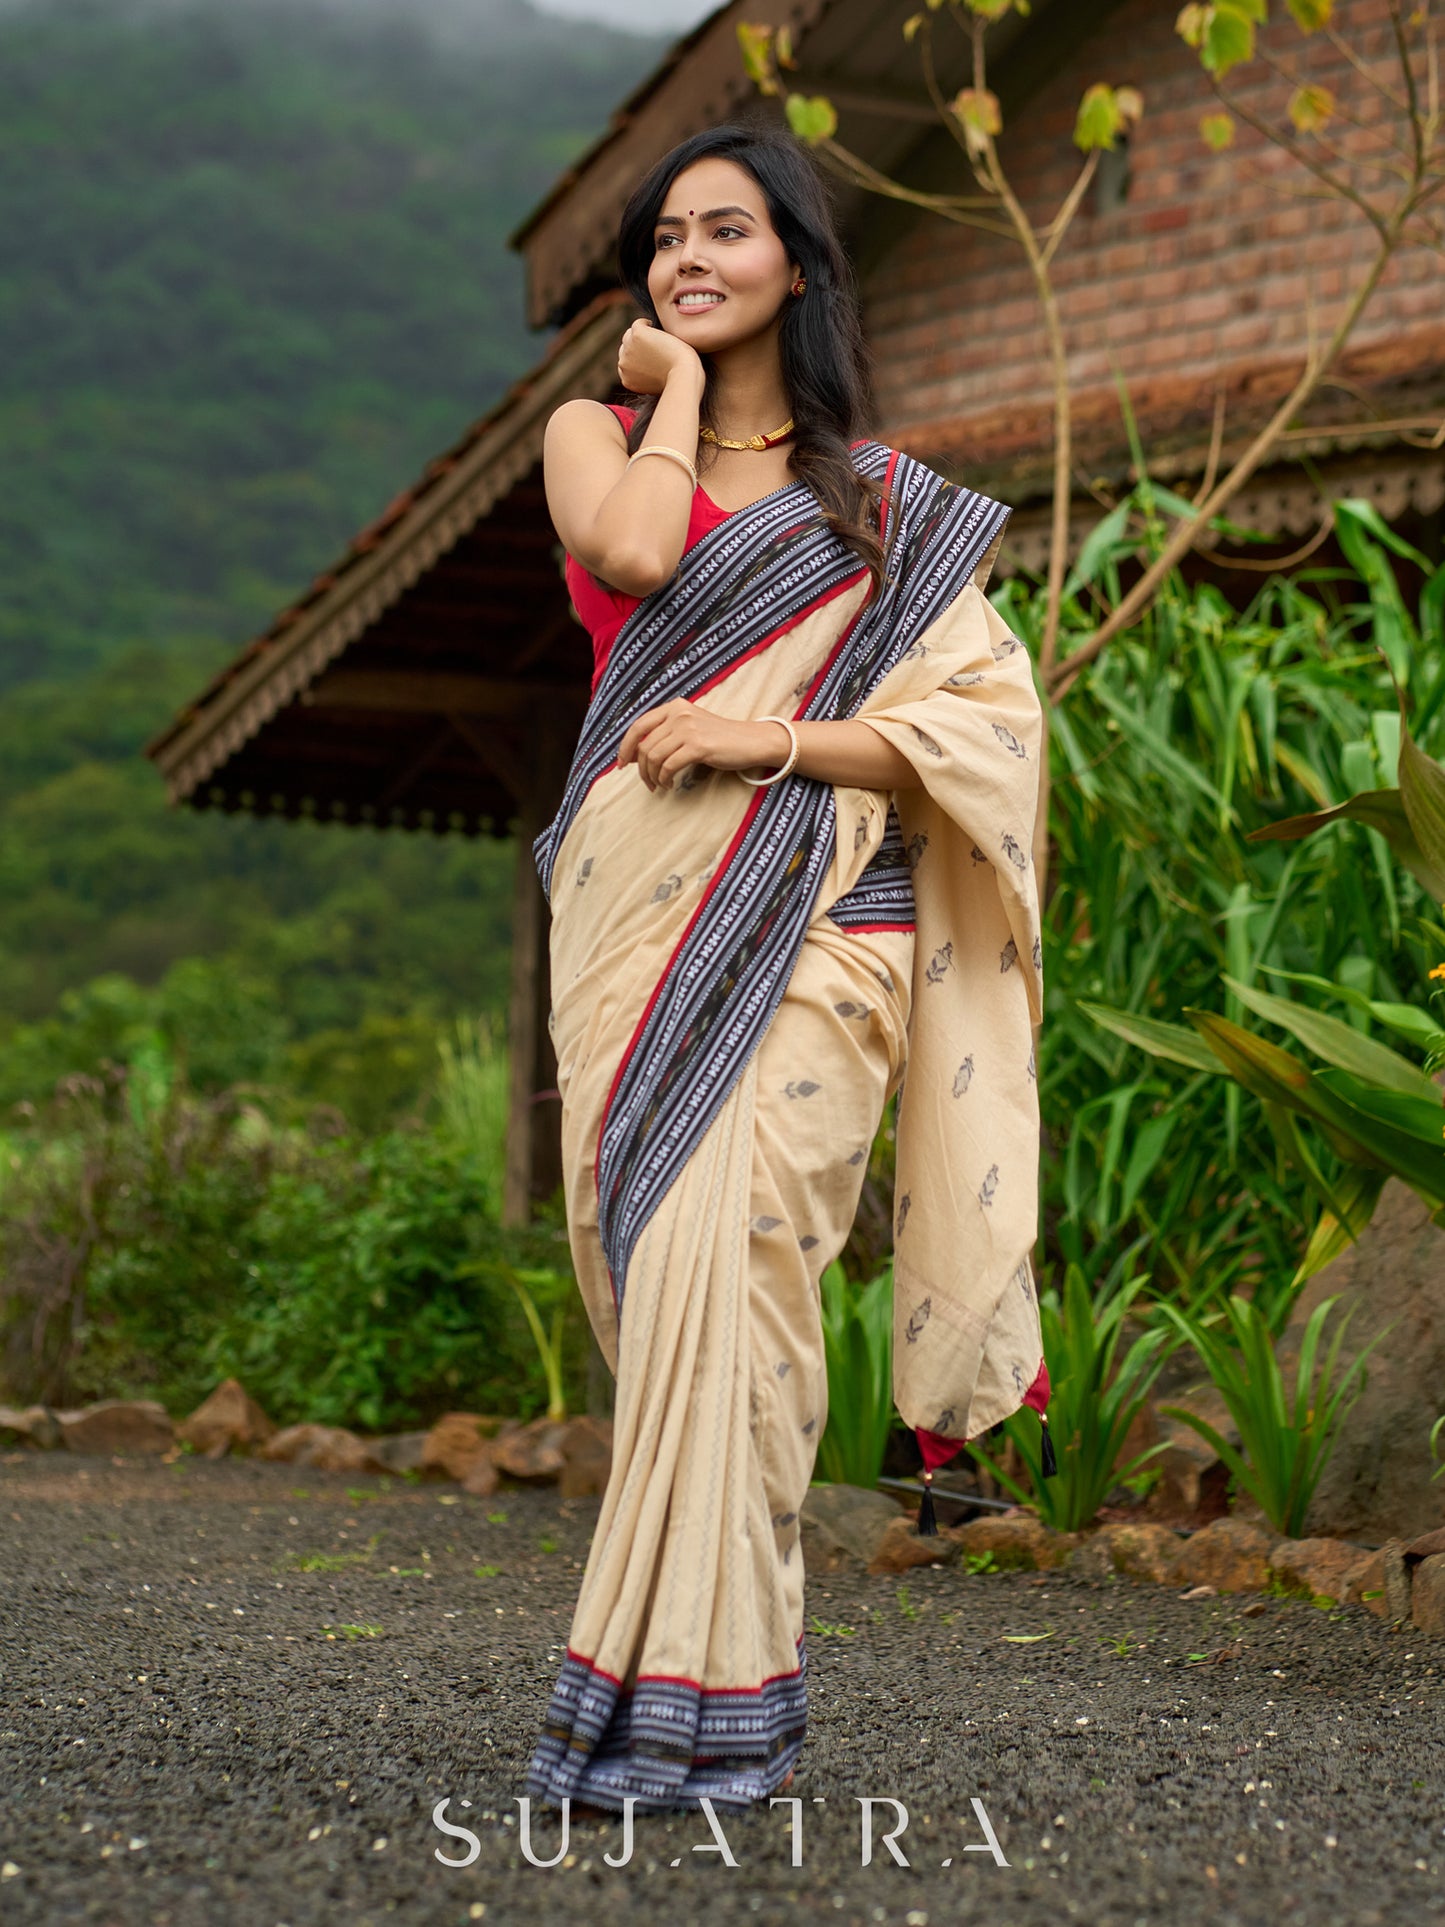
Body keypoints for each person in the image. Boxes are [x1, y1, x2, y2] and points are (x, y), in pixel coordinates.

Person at [523, 122, 1050, 1818]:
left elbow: (980, 737)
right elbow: (635, 560)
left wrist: (774, 741)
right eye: (664, 237)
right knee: (663, 1273)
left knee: (742, 1277)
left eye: (727, 231)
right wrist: (668, 388)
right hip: (632, 914)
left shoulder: (887, 509)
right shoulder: (586, 437)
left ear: (799, 268)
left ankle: (703, 1712)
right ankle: (673, 1694)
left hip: (828, 931)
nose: (689, 254)